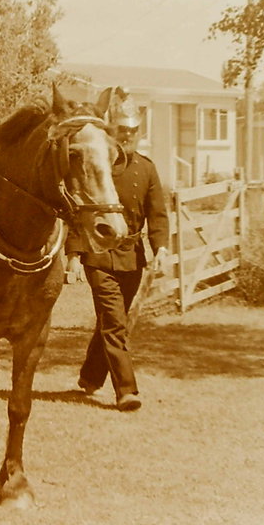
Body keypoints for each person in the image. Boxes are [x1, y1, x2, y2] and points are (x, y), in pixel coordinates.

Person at [65, 99, 170, 412]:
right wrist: (74, 254)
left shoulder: (147, 168)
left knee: (112, 322)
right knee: (114, 322)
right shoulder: (100, 164)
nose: (128, 136)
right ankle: (126, 390)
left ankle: (90, 377)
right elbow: (78, 208)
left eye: (133, 131)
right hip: (99, 255)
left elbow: (158, 214)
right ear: (112, 131)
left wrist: (161, 248)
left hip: (133, 257)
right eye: (122, 130)